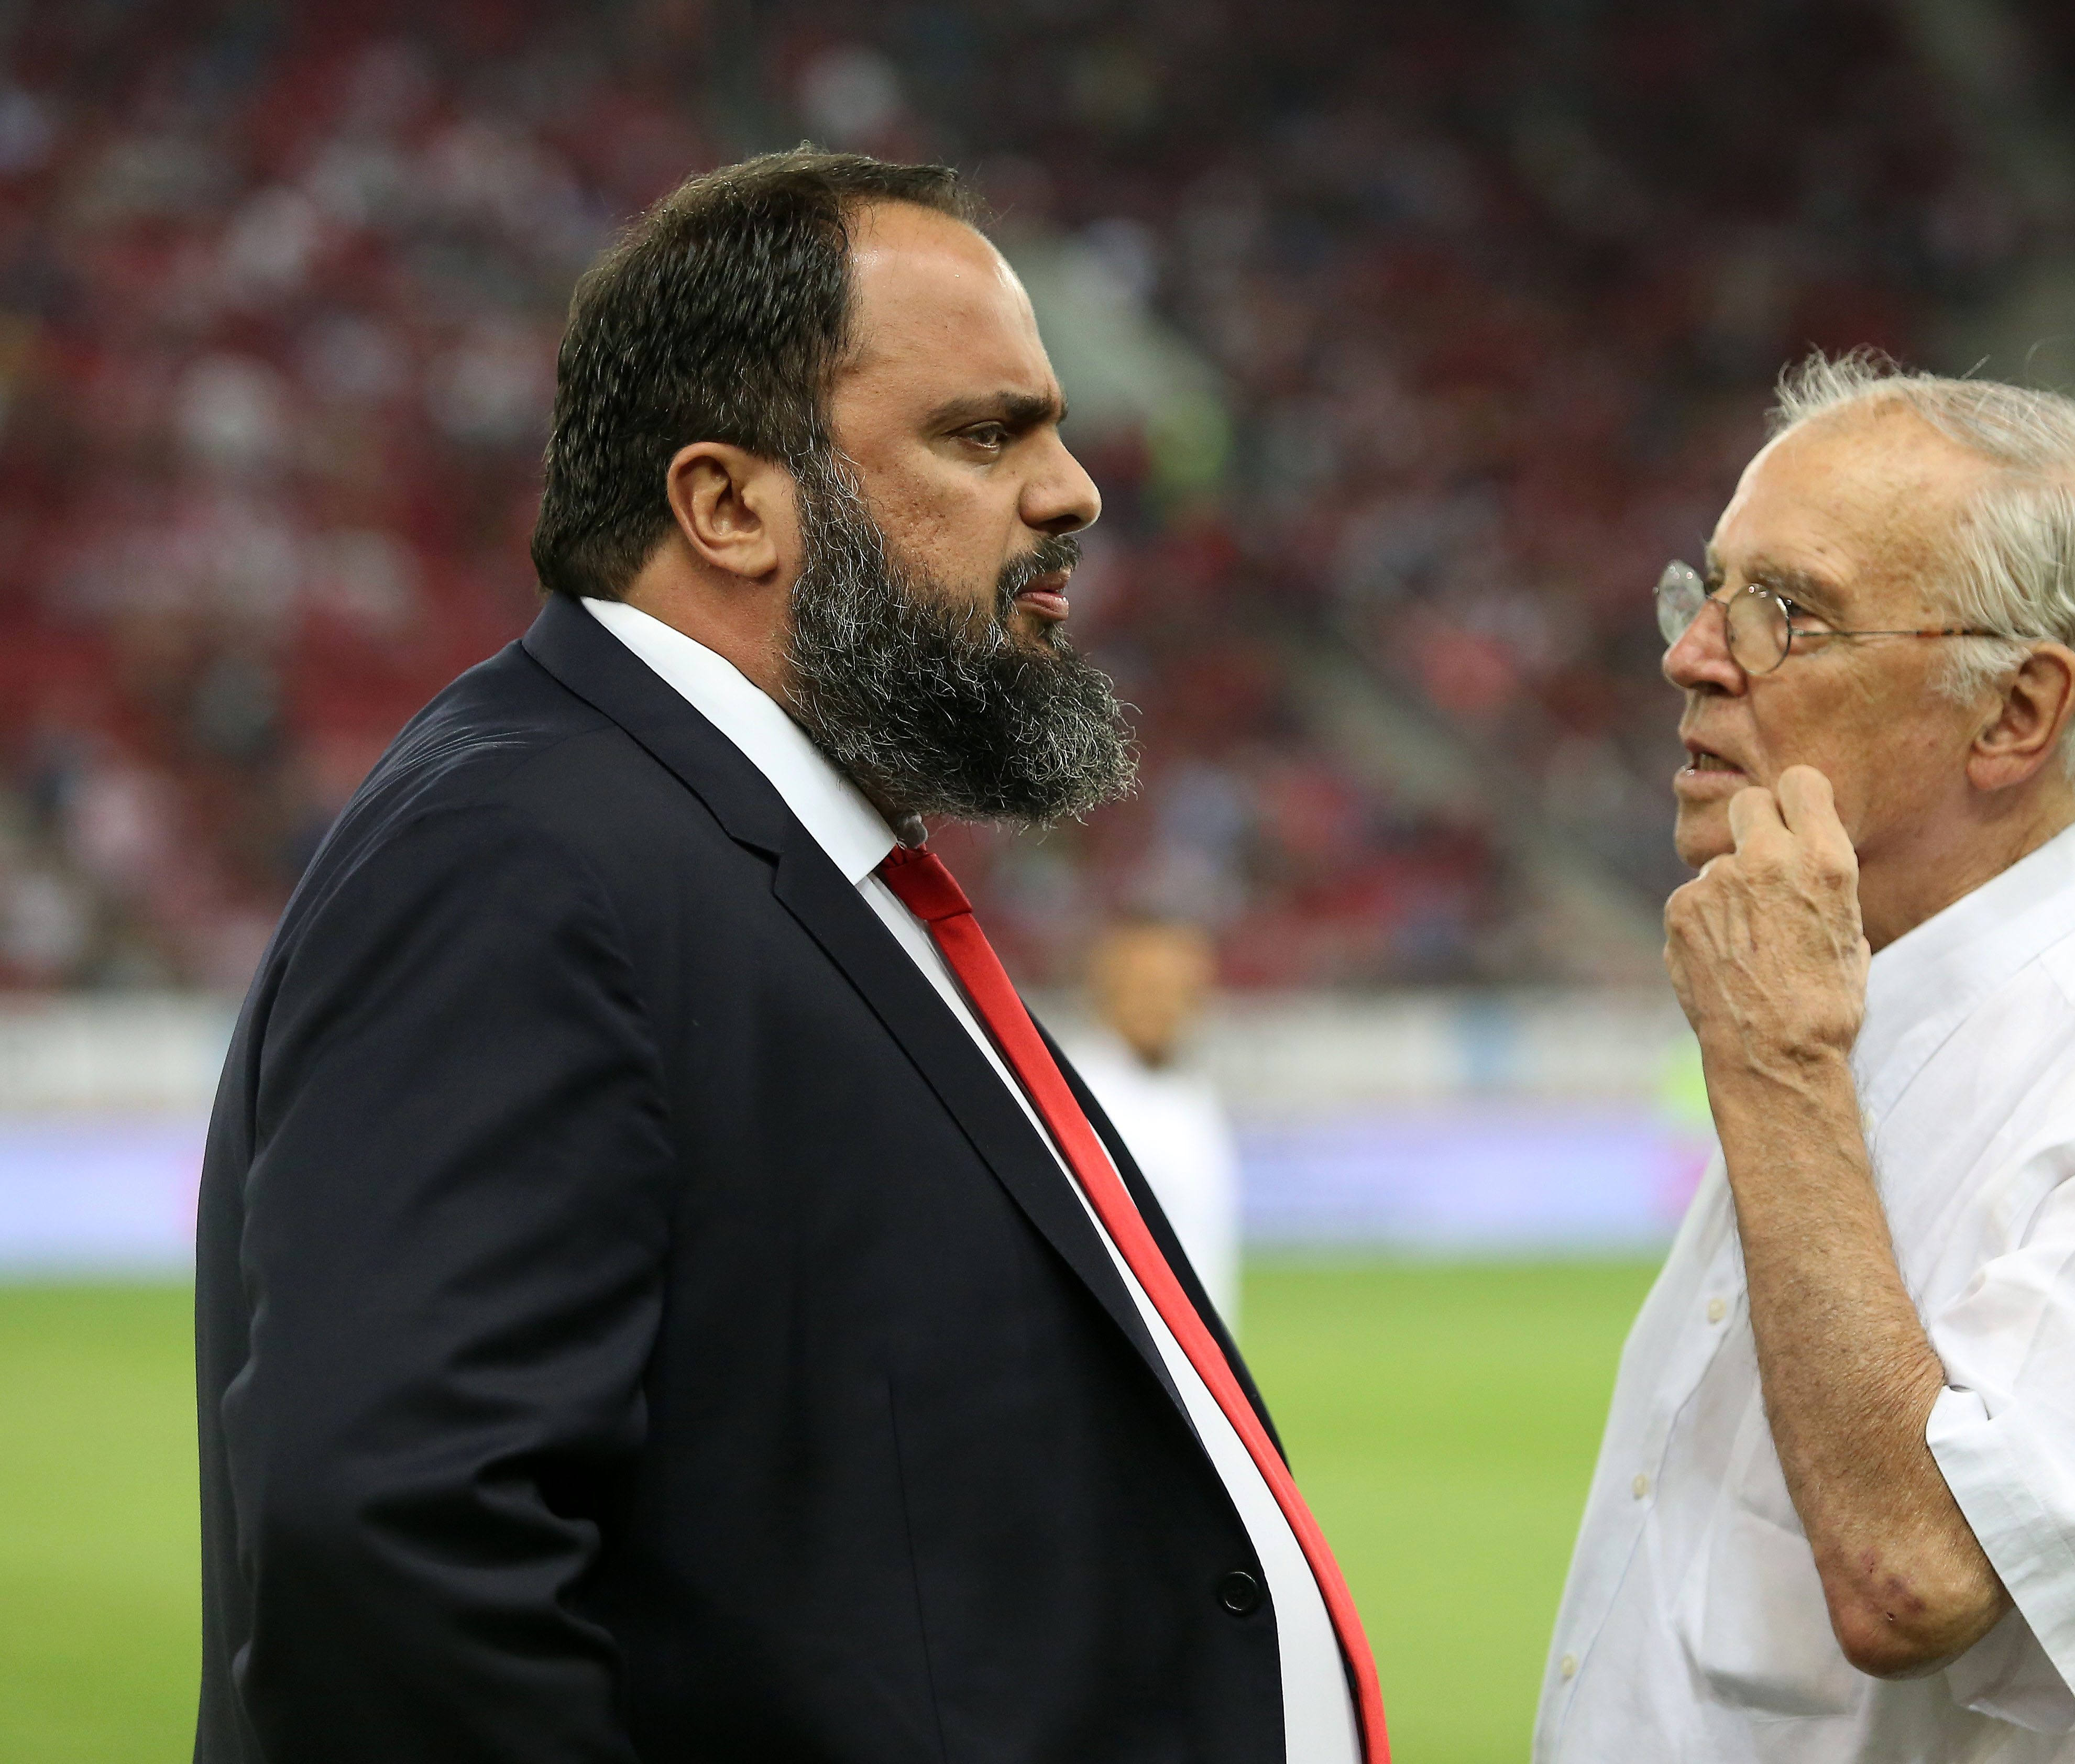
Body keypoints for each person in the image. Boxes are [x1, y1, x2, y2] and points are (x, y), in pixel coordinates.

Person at [194, 150, 1383, 1764]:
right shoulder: (523, 857)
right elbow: (393, 1551)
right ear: (730, 506)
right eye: (985, 435)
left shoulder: (746, 855)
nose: (1075, 493)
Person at [1535, 354, 2075, 1763]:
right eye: (1709, 590)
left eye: (1788, 612)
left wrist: (1780, 1071)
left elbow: (1910, 1576)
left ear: (2015, 714)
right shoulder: (1844, 997)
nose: (1695, 654)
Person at [1065, 919, 1245, 1327]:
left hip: (1198, 1348)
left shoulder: (1191, 1093)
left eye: (1178, 990)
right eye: (1146, 988)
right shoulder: (1075, 1099)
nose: (1162, 1005)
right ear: (1104, 991)